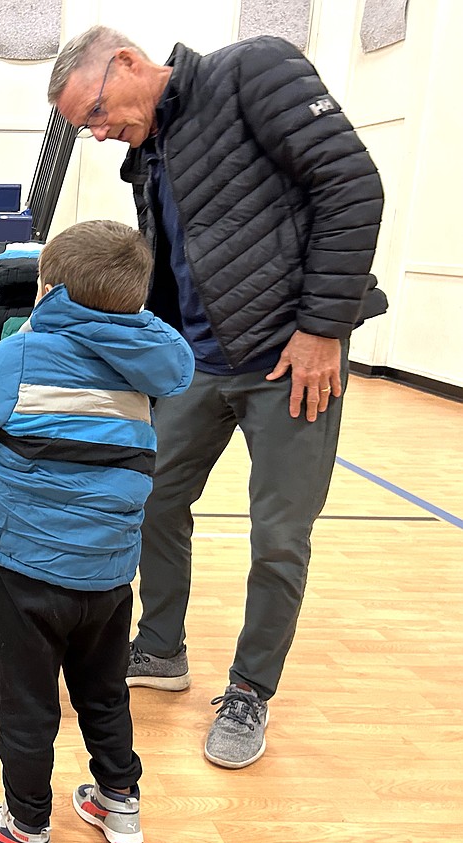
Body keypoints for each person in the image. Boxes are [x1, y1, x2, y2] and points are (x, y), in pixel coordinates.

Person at [47, 27, 385, 769]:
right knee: (153, 498)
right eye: (88, 128)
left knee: (279, 533)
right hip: (198, 361)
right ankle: (161, 646)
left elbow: (352, 185)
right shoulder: (152, 149)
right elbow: (173, 265)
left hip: (292, 360)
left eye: (97, 113)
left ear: (129, 63)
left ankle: (249, 689)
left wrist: (323, 329)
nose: (100, 134)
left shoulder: (252, 70)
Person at [0, 220, 194, 843]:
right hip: (108, 575)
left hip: (29, 571)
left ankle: (26, 827)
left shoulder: (23, 355)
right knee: (103, 693)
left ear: (49, 287)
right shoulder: (145, 364)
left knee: (27, 703)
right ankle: (118, 801)